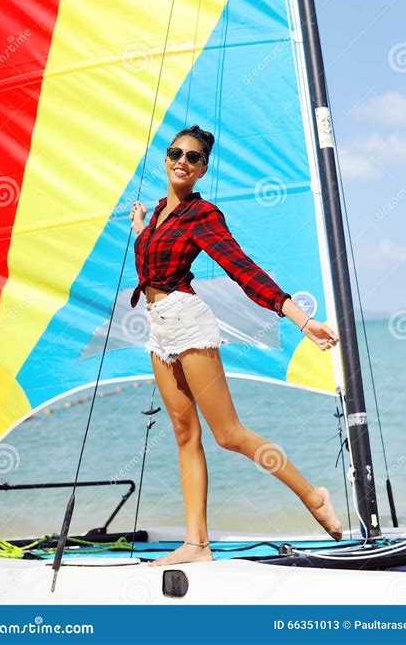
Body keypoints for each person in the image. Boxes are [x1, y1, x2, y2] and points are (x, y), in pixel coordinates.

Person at [129, 125, 342, 566]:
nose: (182, 162)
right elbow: (152, 269)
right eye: (176, 153)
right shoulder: (154, 215)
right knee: (185, 435)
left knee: (227, 434)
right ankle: (196, 545)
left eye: (193, 157)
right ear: (165, 159)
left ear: (203, 168)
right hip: (156, 327)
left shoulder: (202, 214)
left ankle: (313, 495)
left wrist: (299, 318)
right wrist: (140, 232)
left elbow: (242, 269)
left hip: (187, 323)